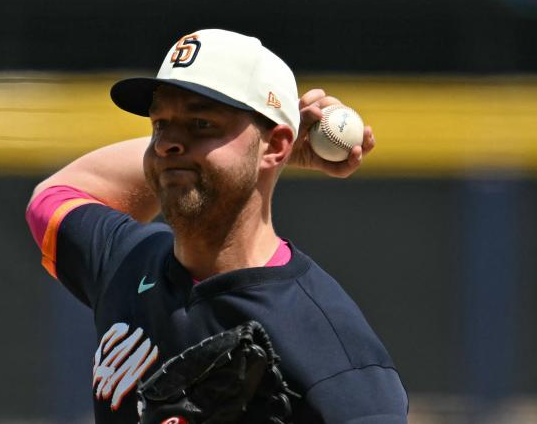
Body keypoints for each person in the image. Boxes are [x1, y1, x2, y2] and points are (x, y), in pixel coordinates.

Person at [26, 29, 408, 423]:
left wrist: (260, 151)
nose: (167, 143)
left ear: (276, 144)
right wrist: (250, 152)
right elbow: (53, 197)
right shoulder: (127, 261)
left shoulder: (332, 351)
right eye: (161, 123)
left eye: (200, 123)